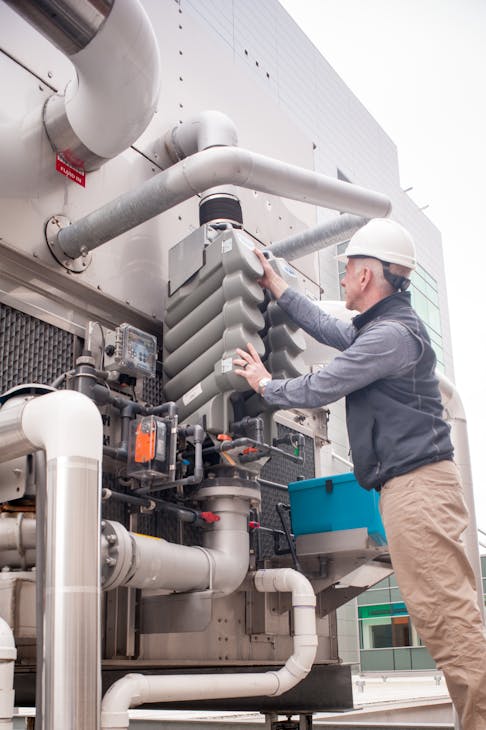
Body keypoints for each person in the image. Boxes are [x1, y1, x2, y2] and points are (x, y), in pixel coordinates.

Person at [233, 218, 486, 730]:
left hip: (419, 490)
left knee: (448, 621)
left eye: (347, 269)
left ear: (367, 275)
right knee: (445, 617)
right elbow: (331, 331)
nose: (343, 277)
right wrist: (279, 286)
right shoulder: (381, 328)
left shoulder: (390, 336)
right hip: (413, 488)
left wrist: (265, 384)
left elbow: (323, 383)